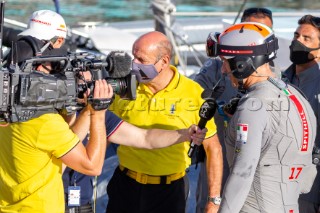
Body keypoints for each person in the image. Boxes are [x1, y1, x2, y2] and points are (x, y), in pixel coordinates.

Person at [106, 31, 223, 213]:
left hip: (169, 191)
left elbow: (213, 148)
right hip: (125, 185)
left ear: (164, 61)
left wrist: (213, 201)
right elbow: (104, 128)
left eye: (141, 59)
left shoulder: (193, 93)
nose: (134, 64)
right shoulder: (124, 87)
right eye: (133, 57)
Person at [212, 22, 317, 212]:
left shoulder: (252, 106)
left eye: (225, 62)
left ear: (241, 64)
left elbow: (242, 173)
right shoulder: (295, 95)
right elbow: (305, 176)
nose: (223, 70)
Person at [193, 7, 274, 213]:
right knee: (208, 204)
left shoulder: (277, 75)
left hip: (257, 164)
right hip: (217, 154)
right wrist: (220, 109)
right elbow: (194, 98)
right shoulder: (215, 66)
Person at [281, 14, 320, 213]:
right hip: (280, 184)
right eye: (296, 35)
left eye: (307, 39)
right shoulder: (279, 82)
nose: (297, 41)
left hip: (312, 188)